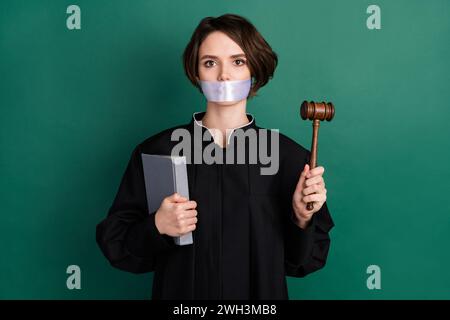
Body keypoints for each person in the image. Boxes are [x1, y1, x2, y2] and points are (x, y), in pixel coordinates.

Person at [96, 13, 334, 300]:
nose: (224, 75)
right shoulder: (158, 151)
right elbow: (118, 247)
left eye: (238, 61)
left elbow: (305, 262)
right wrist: (157, 226)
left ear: (254, 69)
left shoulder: (290, 159)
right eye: (210, 63)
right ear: (196, 72)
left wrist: (302, 218)